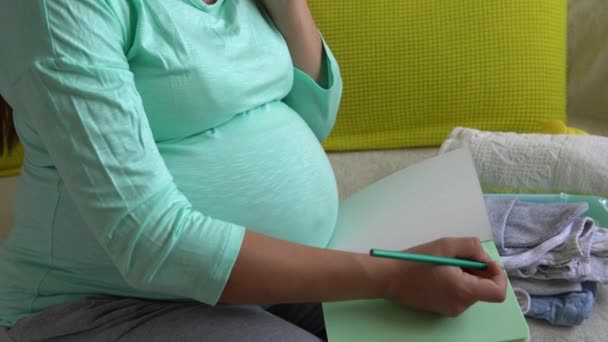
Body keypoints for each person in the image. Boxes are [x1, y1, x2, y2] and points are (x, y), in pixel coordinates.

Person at [0, 0, 507, 341]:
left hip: (272, 276)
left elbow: (312, 120)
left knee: (474, 325)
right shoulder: (55, 10)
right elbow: (148, 241)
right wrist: (391, 277)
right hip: (110, 304)